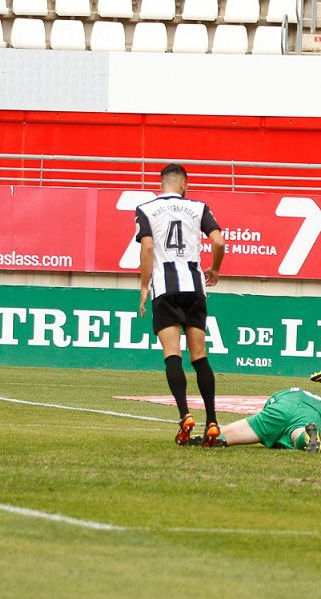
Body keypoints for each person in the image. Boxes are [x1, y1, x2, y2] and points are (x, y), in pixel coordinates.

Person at [137, 163, 226, 446]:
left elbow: (148, 247)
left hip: (165, 289)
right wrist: (215, 269)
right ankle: (212, 421)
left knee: (171, 353)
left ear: (162, 183)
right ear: (184, 184)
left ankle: (185, 415)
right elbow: (219, 241)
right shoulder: (198, 207)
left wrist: (143, 285)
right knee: (199, 356)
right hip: (194, 288)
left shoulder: (146, 209)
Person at [184, 386, 321, 453]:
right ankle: (305, 437)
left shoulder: (286, 392)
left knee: (258, 427)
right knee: (297, 434)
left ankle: (218, 436)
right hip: (314, 414)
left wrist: (265, 436)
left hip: (282, 405)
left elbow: (266, 412)